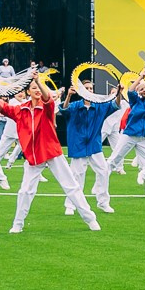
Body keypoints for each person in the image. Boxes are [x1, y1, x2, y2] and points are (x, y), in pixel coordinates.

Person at [0, 77, 100, 233]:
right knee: (25, 191)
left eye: (39, 87)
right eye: (33, 88)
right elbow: (2, 107)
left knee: (71, 186)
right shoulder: (20, 109)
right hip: (33, 157)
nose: (37, 90)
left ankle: (90, 219)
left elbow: (48, 98)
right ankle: (18, 224)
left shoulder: (46, 107)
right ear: (27, 91)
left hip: (52, 152)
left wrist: (38, 81)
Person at [61, 84, 120, 215]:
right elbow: (64, 110)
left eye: (91, 88)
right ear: (80, 91)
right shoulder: (75, 105)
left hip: (94, 145)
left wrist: (119, 93)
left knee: (104, 171)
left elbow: (115, 105)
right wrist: (69, 95)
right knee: (76, 176)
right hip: (78, 145)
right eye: (86, 88)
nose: (89, 91)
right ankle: (71, 205)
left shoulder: (99, 106)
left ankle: (103, 203)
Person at [107, 81, 145, 196]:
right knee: (113, 160)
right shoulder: (136, 101)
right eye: (141, 89)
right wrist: (140, 78)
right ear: (138, 92)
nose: (144, 90)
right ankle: (100, 186)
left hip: (144, 139)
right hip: (129, 135)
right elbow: (130, 90)